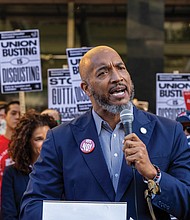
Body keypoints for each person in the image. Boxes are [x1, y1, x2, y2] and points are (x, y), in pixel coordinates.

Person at [20, 46, 190, 220]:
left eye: (121, 68)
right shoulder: (60, 139)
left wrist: (154, 174)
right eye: (103, 73)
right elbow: (32, 207)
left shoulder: (169, 132)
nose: (117, 78)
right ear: (86, 88)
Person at [1, 109, 58, 220]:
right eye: (38, 139)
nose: (45, 143)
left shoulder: (61, 171)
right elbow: (8, 214)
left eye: (48, 138)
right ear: (27, 142)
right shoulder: (12, 173)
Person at [0, 101, 20, 204]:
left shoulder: (26, 144)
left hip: (18, 200)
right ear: (4, 116)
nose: (17, 117)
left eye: (20, 114)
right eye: (13, 113)